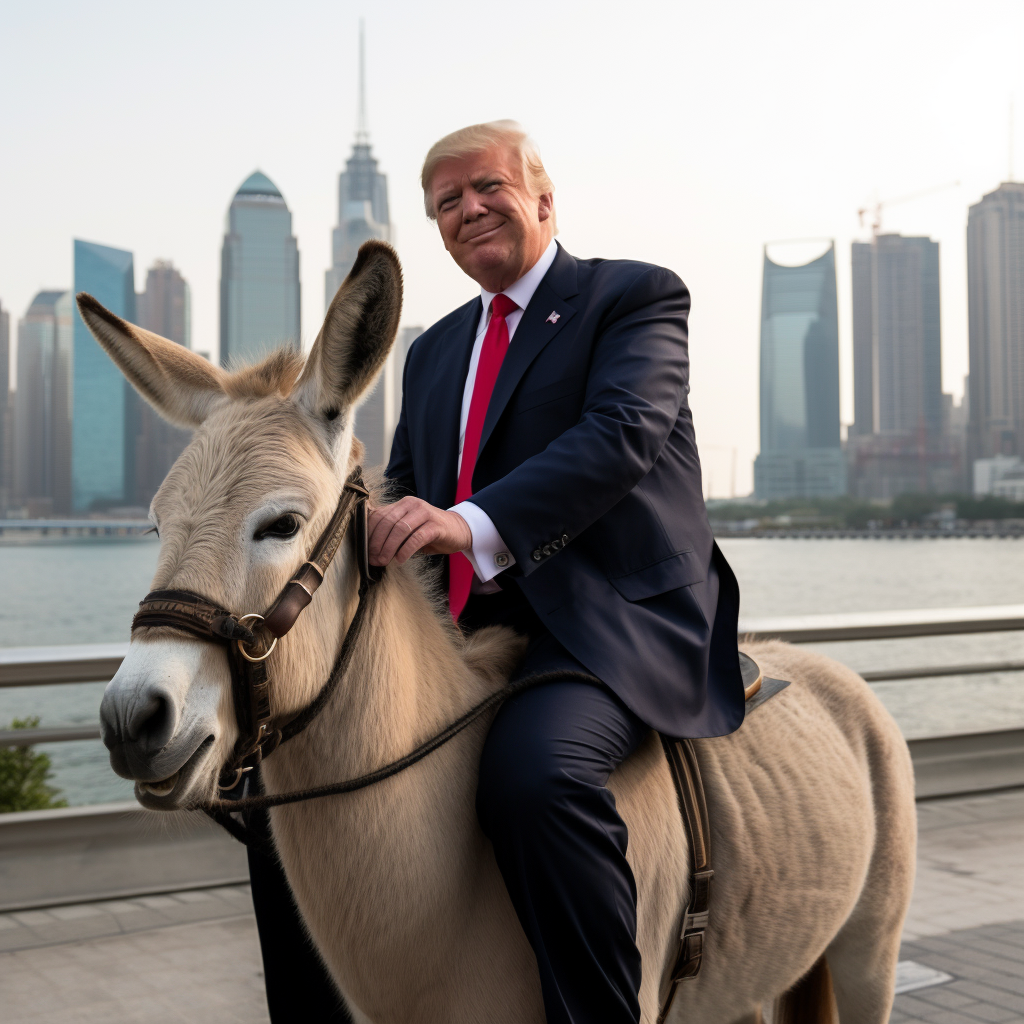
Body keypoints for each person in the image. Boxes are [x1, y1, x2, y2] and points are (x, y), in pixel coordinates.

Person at [247, 120, 745, 1024]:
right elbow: (402, 491)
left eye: (488, 189)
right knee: (276, 781)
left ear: (542, 200)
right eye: (447, 203)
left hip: (605, 626)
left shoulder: (632, 299)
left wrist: (468, 523)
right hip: (466, 633)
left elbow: (620, 436)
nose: (468, 210)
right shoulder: (435, 350)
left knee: (537, 776)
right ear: (438, 230)